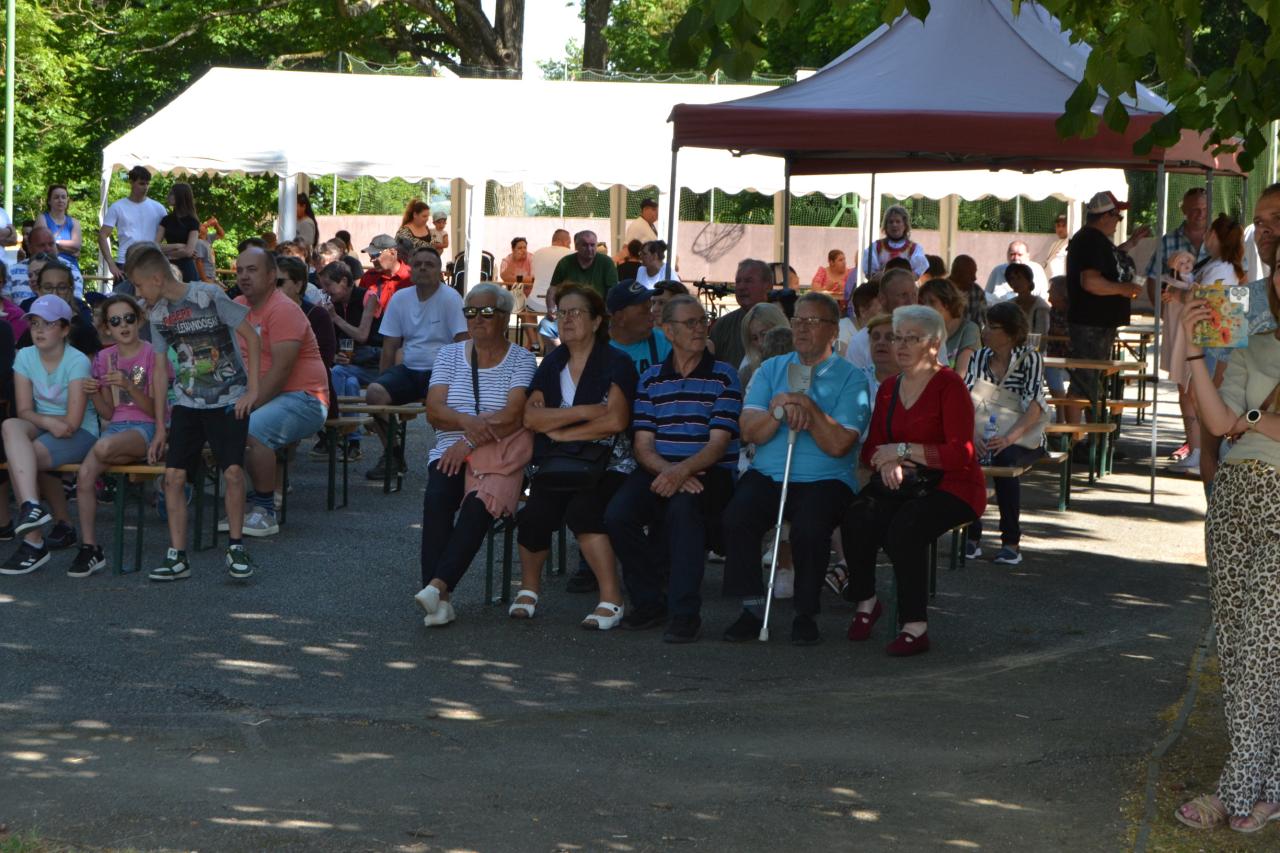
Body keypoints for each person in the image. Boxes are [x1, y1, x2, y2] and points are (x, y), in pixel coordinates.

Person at [1173, 245, 1280, 833]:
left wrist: (1254, 420)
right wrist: (1192, 350)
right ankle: (1268, 786)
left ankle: (1238, 788)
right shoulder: (1255, 343)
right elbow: (1216, 422)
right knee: (1239, 652)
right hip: (1235, 501)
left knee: (1263, 647)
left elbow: (1246, 421)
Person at [721, 293, 869, 645]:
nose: (801, 328)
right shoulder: (771, 369)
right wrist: (780, 411)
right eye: (797, 320)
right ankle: (751, 607)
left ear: (833, 330)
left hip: (825, 479)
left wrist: (808, 408)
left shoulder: (852, 378)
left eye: (812, 321)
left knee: (810, 528)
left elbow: (839, 444)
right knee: (738, 516)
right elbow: (748, 430)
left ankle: (805, 612)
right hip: (769, 473)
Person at [841, 305, 985, 657]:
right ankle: (866, 600)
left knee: (905, 528)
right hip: (904, 482)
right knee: (857, 514)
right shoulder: (889, 387)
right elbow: (871, 448)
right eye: (897, 337)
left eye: (911, 338)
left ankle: (915, 626)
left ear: (934, 345)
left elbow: (960, 453)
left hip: (954, 485)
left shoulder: (949, 385)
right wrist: (888, 460)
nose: (900, 345)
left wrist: (902, 451)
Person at [604, 294, 742, 642]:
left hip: (710, 473)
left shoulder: (724, 375)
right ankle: (649, 600)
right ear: (668, 331)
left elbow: (718, 444)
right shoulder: (651, 378)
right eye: (690, 322)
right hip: (660, 468)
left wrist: (681, 473)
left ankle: (684, 613)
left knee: (683, 510)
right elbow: (643, 445)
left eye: (703, 320)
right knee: (618, 515)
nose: (700, 328)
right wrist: (670, 472)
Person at [126, 242, 261, 582]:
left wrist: (253, 390)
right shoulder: (158, 315)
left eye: (139, 285)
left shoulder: (209, 295)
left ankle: (236, 546)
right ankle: (177, 555)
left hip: (228, 398)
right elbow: (159, 370)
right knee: (173, 477)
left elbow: (252, 338)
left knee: (233, 472)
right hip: (187, 402)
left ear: (156, 279)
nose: (138, 293)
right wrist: (160, 426)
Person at [513, 284, 637, 628]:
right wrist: (586, 411)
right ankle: (529, 589)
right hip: (559, 460)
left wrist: (561, 429)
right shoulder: (552, 361)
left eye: (576, 313)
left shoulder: (617, 362)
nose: (566, 319)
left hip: (609, 462)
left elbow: (616, 421)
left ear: (596, 321)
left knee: (585, 510)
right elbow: (531, 418)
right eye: (561, 313)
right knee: (535, 514)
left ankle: (611, 598)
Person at [414, 284, 535, 627]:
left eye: (486, 312)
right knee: (438, 498)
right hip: (450, 449)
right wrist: (469, 423)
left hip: (499, 454)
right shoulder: (449, 355)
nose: (477, 319)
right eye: (470, 312)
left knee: (476, 508)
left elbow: (513, 415)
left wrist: (467, 441)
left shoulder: (522, 359)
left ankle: (436, 588)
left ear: (505, 317)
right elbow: (434, 411)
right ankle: (440, 601)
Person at [220, 248, 329, 537]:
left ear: (271, 276)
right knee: (210, 423)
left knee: (251, 428)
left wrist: (248, 405)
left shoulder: (284, 309)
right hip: (259, 394)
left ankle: (265, 510)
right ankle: (240, 506)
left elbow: (281, 372)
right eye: (240, 270)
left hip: (304, 398)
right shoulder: (237, 306)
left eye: (252, 270)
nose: (244, 276)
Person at [0, 296, 99, 575]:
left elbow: (72, 423)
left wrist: (49, 423)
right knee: (10, 426)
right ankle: (31, 507)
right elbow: (23, 411)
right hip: (44, 425)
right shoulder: (25, 356)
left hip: (81, 432)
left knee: (22, 457)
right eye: (34, 324)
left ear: (65, 329)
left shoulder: (77, 361)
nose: (39, 330)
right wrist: (46, 422)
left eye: (48, 324)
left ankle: (33, 544)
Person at [72, 294, 168, 577]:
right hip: (116, 430)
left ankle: (147, 454)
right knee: (84, 476)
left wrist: (129, 385)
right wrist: (92, 393)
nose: (123, 325)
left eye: (128, 318)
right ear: (107, 328)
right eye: (115, 321)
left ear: (139, 320)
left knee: (101, 449)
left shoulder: (151, 353)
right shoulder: (105, 358)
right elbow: (108, 412)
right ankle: (90, 548)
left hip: (145, 427)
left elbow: (155, 410)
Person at [364, 246, 467, 480]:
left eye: (429, 265)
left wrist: (462, 382)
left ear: (440, 271)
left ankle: (452, 456)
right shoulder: (400, 298)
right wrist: (383, 379)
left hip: (442, 373)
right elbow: (390, 345)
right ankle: (393, 455)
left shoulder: (451, 298)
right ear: (411, 269)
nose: (422, 268)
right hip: (409, 370)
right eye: (418, 264)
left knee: (447, 408)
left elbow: (463, 343)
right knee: (374, 394)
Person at [962, 301, 1047, 565]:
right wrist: (972, 435)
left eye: (992, 326)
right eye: (985, 325)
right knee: (967, 457)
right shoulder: (979, 357)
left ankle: (1011, 542)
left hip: (1021, 436)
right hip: (983, 431)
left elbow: (1034, 406)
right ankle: (971, 536)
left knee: (1004, 460)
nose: (985, 331)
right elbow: (965, 399)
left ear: (1010, 333)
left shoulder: (1029, 358)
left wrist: (1008, 439)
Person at [1065, 191, 1150, 450]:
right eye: (1117, 216)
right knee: (1085, 381)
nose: (1119, 221)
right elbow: (1090, 281)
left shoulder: (1094, 240)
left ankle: (1091, 441)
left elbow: (1107, 261)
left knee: (1090, 381)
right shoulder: (1091, 241)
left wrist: (1131, 244)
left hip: (1096, 324)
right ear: (1105, 216)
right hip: (1091, 324)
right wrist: (1123, 289)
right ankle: (1079, 443)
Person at [1173, 214, 1247, 479]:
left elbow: (1200, 299)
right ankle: (1202, 450)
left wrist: (1179, 293)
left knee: (1203, 395)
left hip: (1215, 341)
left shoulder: (1222, 268)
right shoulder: (1221, 265)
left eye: (1208, 232)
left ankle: (1207, 451)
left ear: (1214, 235)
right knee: (1198, 395)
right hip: (1216, 340)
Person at [99, 166, 167, 287]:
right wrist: (111, 264)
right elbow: (102, 235)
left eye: (147, 184)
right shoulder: (118, 207)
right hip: (125, 262)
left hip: (150, 262)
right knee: (122, 298)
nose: (145, 187)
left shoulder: (159, 208)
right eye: (141, 183)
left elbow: (169, 234)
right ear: (131, 182)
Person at [20, 260, 100, 358]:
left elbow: (88, 365)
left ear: (70, 291)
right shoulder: (34, 326)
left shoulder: (84, 329)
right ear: (39, 291)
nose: (55, 293)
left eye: (62, 288)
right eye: (48, 288)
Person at [709, 258, 772, 369]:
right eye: (738, 282)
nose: (741, 287)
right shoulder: (723, 326)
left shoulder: (781, 321)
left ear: (767, 286)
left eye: (748, 281)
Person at [607, 280, 671, 376]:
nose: (652, 317)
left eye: (650, 309)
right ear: (620, 318)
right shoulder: (594, 348)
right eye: (645, 311)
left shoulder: (665, 342)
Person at [918, 278, 979, 376]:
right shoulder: (925, 330)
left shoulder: (968, 330)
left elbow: (962, 375)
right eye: (923, 303)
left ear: (947, 303)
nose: (925, 307)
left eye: (932, 302)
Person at [8, 227, 85, 303]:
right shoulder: (12, 271)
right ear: (30, 248)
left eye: (51, 244)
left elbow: (75, 303)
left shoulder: (71, 269)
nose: (47, 249)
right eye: (41, 245)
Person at [862, 205, 928, 279]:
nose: (894, 225)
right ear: (886, 226)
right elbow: (871, 274)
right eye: (891, 222)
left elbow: (916, 274)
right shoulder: (876, 247)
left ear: (905, 225)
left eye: (898, 221)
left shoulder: (914, 249)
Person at [549, 230, 618, 301]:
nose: (589, 249)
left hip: (598, 306)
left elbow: (613, 291)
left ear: (596, 245)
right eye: (584, 245)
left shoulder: (607, 262)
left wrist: (606, 307)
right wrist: (551, 307)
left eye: (592, 245)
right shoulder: (565, 262)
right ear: (576, 246)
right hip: (570, 305)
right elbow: (553, 289)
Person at [156, 182, 201, 283]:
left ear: (180, 196)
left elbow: (188, 251)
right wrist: (178, 246)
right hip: (168, 268)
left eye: (172, 193)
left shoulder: (192, 221)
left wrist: (167, 254)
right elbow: (155, 245)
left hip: (186, 269)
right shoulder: (166, 220)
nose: (168, 196)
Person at [737, 301, 790, 384]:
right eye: (754, 338)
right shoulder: (746, 375)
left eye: (764, 334)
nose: (760, 343)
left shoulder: (803, 363)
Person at [359, 234, 412, 315]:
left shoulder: (413, 276)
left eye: (376, 255)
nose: (372, 260)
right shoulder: (368, 277)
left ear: (392, 252)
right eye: (371, 256)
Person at [527, 229, 574, 314]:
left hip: (535, 302)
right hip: (558, 304)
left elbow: (534, 276)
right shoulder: (572, 254)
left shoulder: (537, 253)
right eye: (569, 243)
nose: (569, 246)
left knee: (529, 308)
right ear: (564, 242)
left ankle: (531, 324)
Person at [984, 240, 1050, 300]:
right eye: (1012, 254)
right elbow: (986, 296)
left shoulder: (1037, 270)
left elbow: (1044, 297)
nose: (1015, 258)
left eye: (1019, 255)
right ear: (1007, 255)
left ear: (1028, 256)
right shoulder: (998, 270)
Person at [41, 184, 81, 273]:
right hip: (48, 268)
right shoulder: (42, 218)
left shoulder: (74, 222)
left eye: (63, 197)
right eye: (56, 197)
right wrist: (70, 250)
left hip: (71, 269)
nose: (60, 200)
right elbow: (41, 244)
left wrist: (54, 243)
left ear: (67, 200)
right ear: (49, 201)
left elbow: (76, 246)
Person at [1005, 263, 1052, 340]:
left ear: (1029, 281)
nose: (1015, 282)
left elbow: (1042, 337)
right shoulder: (1008, 306)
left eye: (1019, 278)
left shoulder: (1041, 307)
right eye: (1012, 278)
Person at [948, 255, 987, 329]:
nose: (975, 278)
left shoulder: (977, 291)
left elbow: (985, 320)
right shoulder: (941, 291)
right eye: (971, 273)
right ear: (958, 274)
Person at [1040, 213, 1070, 278]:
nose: (1060, 229)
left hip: (1061, 280)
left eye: (1064, 226)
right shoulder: (1054, 244)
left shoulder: (1071, 243)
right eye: (1058, 226)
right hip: (1049, 279)